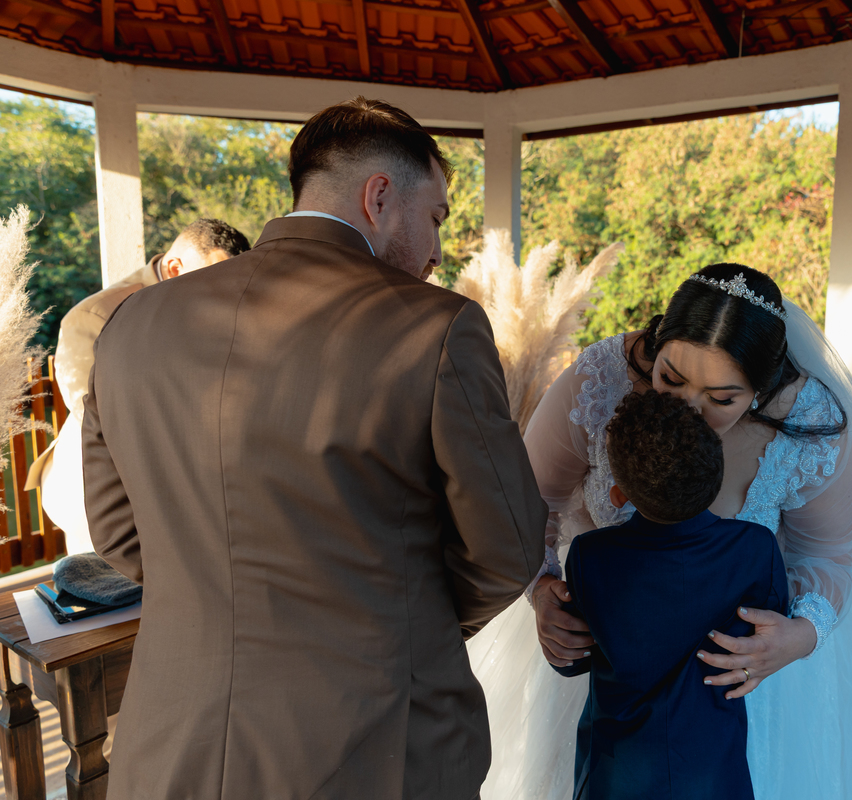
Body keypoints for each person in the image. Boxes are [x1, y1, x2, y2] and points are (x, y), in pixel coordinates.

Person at [82, 97, 547, 799]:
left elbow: (118, 529)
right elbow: (509, 542)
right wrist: (391, 613)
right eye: (437, 219)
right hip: (375, 745)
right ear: (381, 196)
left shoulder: (130, 325)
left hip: (174, 746)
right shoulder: (437, 328)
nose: (438, 251)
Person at [467, 264, 852, 799]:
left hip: (736, 690)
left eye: (721, 398)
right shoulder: (601, 379)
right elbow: (530, 502)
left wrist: (798, 636)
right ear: (655, 346)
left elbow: (827, 555)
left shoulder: (809, 422)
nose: (686, 408)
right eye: (670, 379)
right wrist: (543, 592)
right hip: (613, 670)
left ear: (760, 390)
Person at [552, 388, 787, 800]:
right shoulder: (756, 549)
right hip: (713, 771)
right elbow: (766, 638)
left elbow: (574, 660)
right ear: (716, 480)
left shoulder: (591, 555)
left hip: (616, 773)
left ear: (618, 494)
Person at [26, 218, 250, 555]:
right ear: (174, 267)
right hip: (100, 487)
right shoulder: (94, 316)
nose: (226, 290)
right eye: (215, 277)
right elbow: (97, 415)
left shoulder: (214, 306)